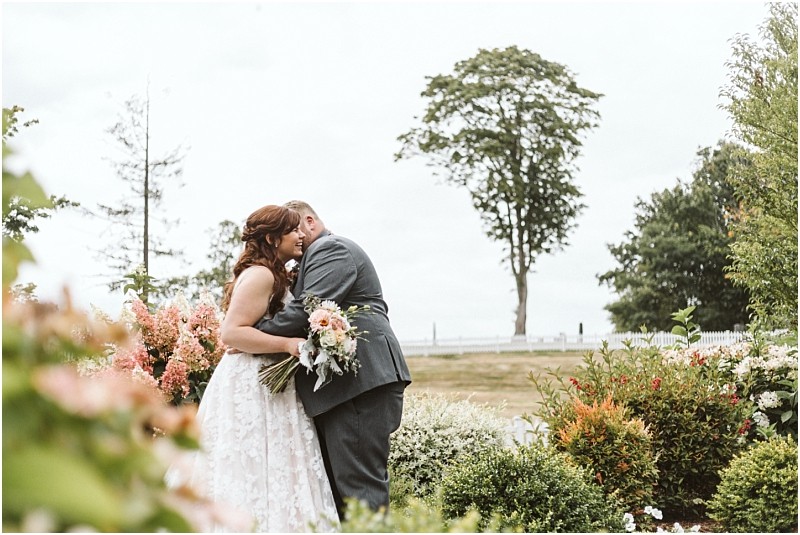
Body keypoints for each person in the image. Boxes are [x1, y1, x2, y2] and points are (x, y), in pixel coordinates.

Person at [227, 200, 412, 519]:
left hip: (359, 383)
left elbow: (305, 311)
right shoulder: (302, 263)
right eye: (290, 232)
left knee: (359, 490)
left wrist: (249, 334)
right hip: (344, 387)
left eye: (297, 228)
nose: (298, 237)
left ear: (310, 221)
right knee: (343, 492)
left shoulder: (331, 249)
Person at [167, 204, 339, 532]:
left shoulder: (274, 274)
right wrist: (287, 345)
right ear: (273, 239)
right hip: (250, 382)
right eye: (293, 230)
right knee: (248, 462)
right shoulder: (261, 275)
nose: (301, 235)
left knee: (270, 465)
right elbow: (231, 333)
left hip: (267, 381)